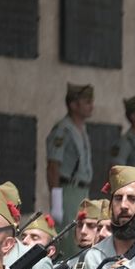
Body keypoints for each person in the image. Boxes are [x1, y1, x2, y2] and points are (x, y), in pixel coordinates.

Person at [45, 83, 96, 223]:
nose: (91, 105)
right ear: (73, 105)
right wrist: (56, 202)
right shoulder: (63, 130)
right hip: (68, 190)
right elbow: (53, 166)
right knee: (70, 240)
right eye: (87, 102)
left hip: (82, 191)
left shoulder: (82, 130)